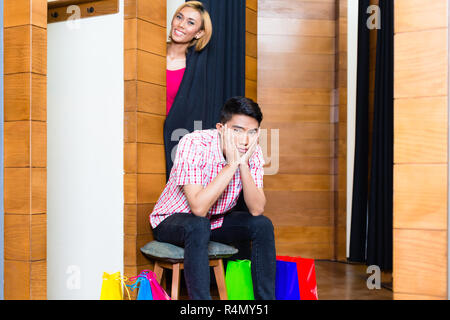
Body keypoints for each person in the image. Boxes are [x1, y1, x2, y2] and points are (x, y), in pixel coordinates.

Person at [150, 96, 276, 300]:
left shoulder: (253, 151)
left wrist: (243, 163)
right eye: (237, 130)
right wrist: (232, 164)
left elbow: (256, 208)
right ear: (221, 128)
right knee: (198, 224)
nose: (245, 140)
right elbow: (198, 208)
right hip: (172, 220)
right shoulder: (194, 143)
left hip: (212, 221)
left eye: (252, 132)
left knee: (262, 224)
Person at [166, 1, 212, 115]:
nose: (181, 24)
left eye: (190, 23)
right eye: (179, 17)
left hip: (172, 130)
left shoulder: (193, 71)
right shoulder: (150, 51)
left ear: (199, 33)